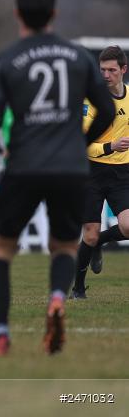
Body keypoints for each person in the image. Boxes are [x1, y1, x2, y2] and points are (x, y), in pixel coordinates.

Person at [0, 0, 114, 356]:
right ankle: (56, 299)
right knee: (63, 245)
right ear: (54, 13)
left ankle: (1, 335)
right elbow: (107, 109)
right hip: (70, 169)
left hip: (24, 166)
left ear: (17, 13)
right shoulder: (78, 57)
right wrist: (79, 141)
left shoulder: (6, 60)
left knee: (0, 248)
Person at [71, 46, 129, 298]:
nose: (106, 75)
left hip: (122, 174)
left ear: (123, 70)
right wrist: (110, 146)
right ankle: (78, 289)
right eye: (102, 70)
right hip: (91, 173)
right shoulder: (90, 101)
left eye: (111, 70)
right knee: (89, 235)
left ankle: (100, 242)